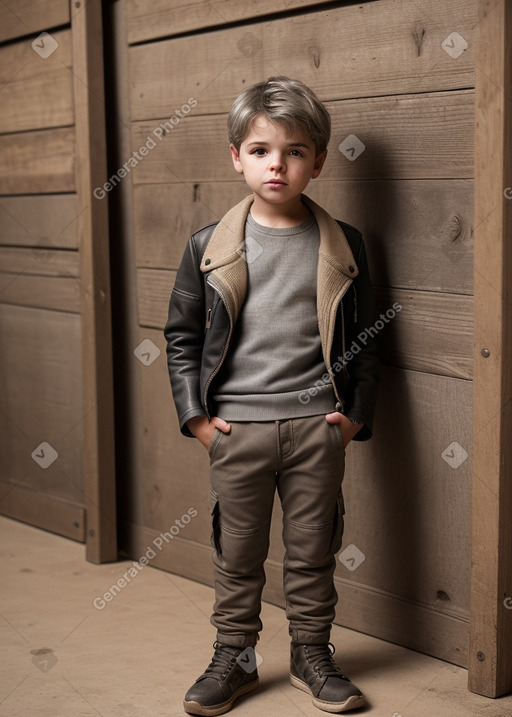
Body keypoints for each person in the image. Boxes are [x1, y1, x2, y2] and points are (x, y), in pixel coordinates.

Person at [164, 76, 379, 715]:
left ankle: (313, 655)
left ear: (317, 161)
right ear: (237, 157)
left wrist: (350, 421)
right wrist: (197, 419)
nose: (276, 165)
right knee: (238, 550)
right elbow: (180, 336)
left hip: (318, 426)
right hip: (237, 431)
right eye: (259, 150)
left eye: (293, 151)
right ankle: (235, 655)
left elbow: (366, 344)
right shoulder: (208, 247)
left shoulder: (345, 245)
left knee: (313, 550)